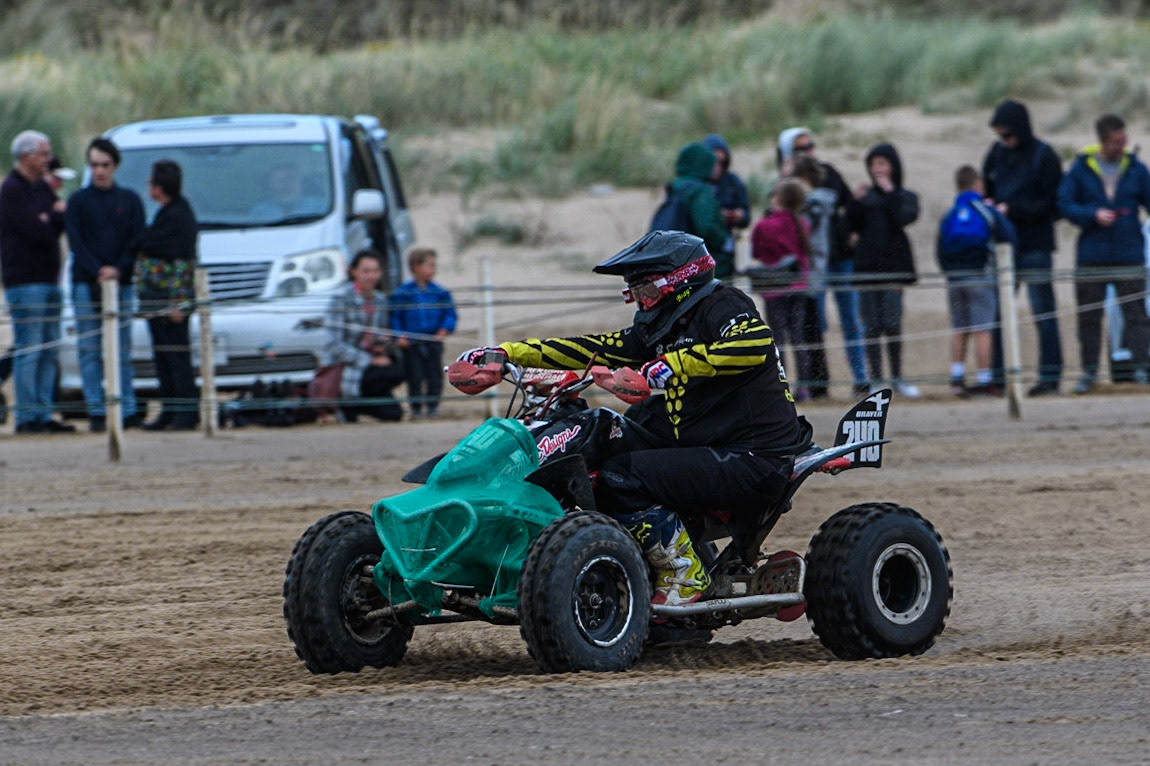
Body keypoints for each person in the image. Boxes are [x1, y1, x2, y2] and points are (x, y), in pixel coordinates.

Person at [458, 231, 812, 606]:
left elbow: (754, 345)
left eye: (645, 292)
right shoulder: (658, 326)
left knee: (622, 475)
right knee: (601, 440)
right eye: (634, 294)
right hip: (703, 442)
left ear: (677, 282)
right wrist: (508, 353)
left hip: (756, 456)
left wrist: (668, 366)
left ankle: (684, 573)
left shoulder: (724, 305)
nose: (641, 303)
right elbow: (595, 348)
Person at [1057, 113, 1150, 393]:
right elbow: (1064, 204)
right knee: (1089, 317)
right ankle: (1089, 373)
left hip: (1129, 254)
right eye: (1115, 142)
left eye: (1124, 140)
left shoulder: (1136, 169)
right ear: (1102, 141)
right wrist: (1092, 214)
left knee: (1136, 315)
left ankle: (1141, 369)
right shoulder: (1081, 169)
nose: (1121, 146)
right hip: (1092, 256)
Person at [982, 98, 1065, 396]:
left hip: (1036, 245)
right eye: (999, 135)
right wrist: (992, 208)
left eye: (1008, 134)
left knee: (1043, 311)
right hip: (1005, 246)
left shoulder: (1044, 156)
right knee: (999, 313)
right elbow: (987, 190)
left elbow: (1054, 204)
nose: (1004, 140)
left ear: (1020, 128)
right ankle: (998, 378)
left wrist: (1013, 210)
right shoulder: (996, 154)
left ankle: (1050, 378)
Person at [65, 137, 146, 432]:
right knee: (89, 349)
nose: (99, 171)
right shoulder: (78, 202)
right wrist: (98, 270)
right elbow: (77, 242)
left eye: (105, 165)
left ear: (116, 166)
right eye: (94, 165)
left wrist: (118, 270)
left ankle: (127, 408)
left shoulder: (129, 200)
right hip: (86, 284)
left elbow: (136, 239)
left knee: (121, 350)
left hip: (121, 284)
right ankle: (97, 410)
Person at [780, 127, 867, 394]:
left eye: (810, 145)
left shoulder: (829, 173)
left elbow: (851, 205)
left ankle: (860, 379)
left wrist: (852, 233)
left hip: (840, 260)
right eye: (800, 149)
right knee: (813, 324)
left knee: (851, 320)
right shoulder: (786, 185)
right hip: (811, 266)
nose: (808, 152)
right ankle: (817, 385)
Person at [0, 130, 75, 434]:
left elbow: (57, 222)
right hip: (25, 280)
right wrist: (50, 217)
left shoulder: (41, 190)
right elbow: (37, 230)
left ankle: (44, 413)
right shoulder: (12, 191)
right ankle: (27, 415)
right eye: (44, 154)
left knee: (48, 347)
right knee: (30, 347)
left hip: (49, 278)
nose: (47, 159)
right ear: (27, 156)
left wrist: (51, 217)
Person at [937, 165, 1017, 397]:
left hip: (954, 277)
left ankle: (957, 378)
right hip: (980, 275)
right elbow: (1009, 236)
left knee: (959, 327)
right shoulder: (984, 210)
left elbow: (939, 247)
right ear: (978, 185)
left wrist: (949, 271)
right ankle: (984, 380)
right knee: (983, 328)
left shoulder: (951, 213)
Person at [848, 143, 921, 398]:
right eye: (873, 164)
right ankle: (876, 380)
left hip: (893, 272)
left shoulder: (904, 195)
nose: (877, 169)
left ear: (893, 166)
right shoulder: (865, 197)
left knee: (892, 324)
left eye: (882, 163)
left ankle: (898, 377)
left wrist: (891, 193)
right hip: (867, 272)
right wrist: (854, 202)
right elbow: (850, 225)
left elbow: (906, 217)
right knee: (871, 326)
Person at [134, 160, 200, 431]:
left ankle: (185, 413)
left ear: (159, 187)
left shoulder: (179, 216)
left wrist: (179, 303)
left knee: (177, 358)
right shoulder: (165, 214)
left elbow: (184, 262)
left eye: (151, 183)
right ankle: (169, 410)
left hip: (171, 302)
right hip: (155, 300)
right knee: (162, 358)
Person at [751, 178, 824, 401]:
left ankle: (780, 387)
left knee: (778, 340)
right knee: (798, 339)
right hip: (799, 287)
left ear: (778, 198)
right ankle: (804, 388)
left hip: (775, 290)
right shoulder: (803, 224)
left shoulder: (765, 225)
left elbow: (756, 252)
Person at [323, 249, 404, 423]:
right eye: (366, 271)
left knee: (394, 413)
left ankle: (355, 405)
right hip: (349, 368)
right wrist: (369, 360)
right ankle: (347, 402)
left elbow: (383, 335)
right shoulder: (340, 299)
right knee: (391, 373)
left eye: (376, 271)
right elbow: (334, 345)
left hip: (373, 367)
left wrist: (383, 347)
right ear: (353, 272)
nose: (372, 276)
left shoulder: (380, 300)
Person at [389, 247, 456, 419]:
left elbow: (449, 313)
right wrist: (399, 336)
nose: (433, 270)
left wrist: (444, 329)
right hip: (412, 343)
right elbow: (395, 317)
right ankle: (416, 407)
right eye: (430, 265)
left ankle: (433, 405)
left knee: (435, 374)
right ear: (416, 267)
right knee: (414, 376)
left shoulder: (439, 292)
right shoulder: (403, 293)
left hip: (433, 340)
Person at [659, 141, 732, 279]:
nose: (717, 168)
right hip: (702, 265)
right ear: (703, 165)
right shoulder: (699, 191)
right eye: (713, 163)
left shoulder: (677, 186)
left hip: (680, 262)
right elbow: (706, 227)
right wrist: (725, 243)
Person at [700, 133, 751, 275]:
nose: (718, 166)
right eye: (714, 161)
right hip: (702, 249)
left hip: (726, 251)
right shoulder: (697, 186)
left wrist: (738, 216)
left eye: (722, 162)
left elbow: (746, 215)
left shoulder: (733, 182)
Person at [249, 164, 326, 221]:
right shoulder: (260, 212)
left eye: (291, 179)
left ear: (301, 183)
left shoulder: (320, 208)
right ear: (270, 185)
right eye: (281, 180)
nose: (287, 185)